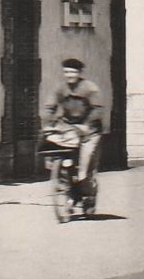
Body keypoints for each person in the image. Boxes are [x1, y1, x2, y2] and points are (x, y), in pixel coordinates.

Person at [44, 58, 104, 192]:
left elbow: (97, 109)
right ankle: (61, 180)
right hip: (69, 128)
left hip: (89, 131)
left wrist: (87, 125)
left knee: (85, 166)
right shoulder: (60, 88)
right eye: (67, 72)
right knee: (51, 144)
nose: (70, 75)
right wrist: (48, 123)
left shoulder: (89, 88)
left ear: (79, 73)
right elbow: (50, 107)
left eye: (73, 72)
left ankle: (89, 194)